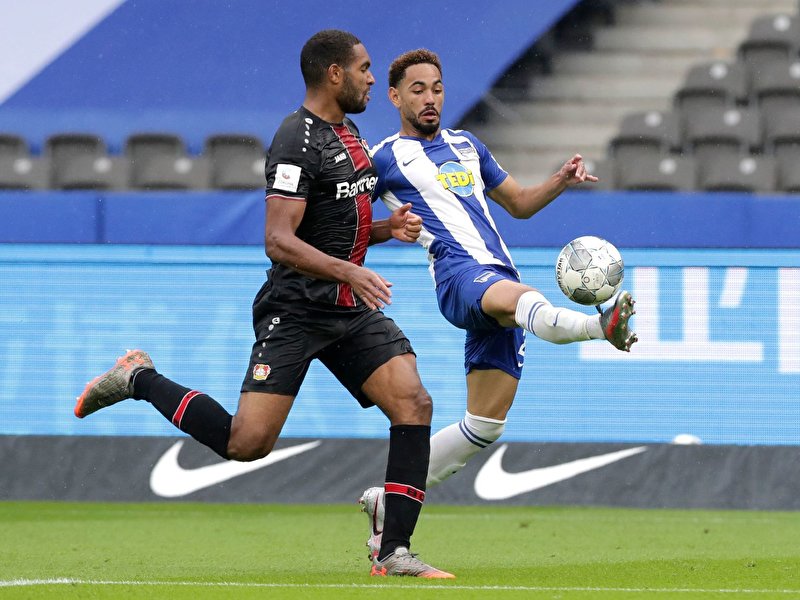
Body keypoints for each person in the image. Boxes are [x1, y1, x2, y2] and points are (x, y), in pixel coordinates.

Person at [73, 31, 453, 579]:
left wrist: (386, 229)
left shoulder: (348, 132)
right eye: (365, 68)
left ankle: (393, 551)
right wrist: (350, 269)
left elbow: (332, 227)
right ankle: (139, 378)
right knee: (247, 443)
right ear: (335, 74)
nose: (373, 78)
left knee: (413, 402)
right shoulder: (296, 140)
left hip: (346, 308)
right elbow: (278, 239)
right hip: (295, 308)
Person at [358, 48, 638, 558]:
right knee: (529, 302)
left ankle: (386, 499)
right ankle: (601, 328)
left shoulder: (467, 145)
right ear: (395, 97)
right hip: (459, 278)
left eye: (437, 88)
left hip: (497, 276)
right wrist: (376, 241)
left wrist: (560, 180)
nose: (430, 98)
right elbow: (348, 223)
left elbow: (519, 204)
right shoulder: (383, 159)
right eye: (417, 90)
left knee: (484, 426)